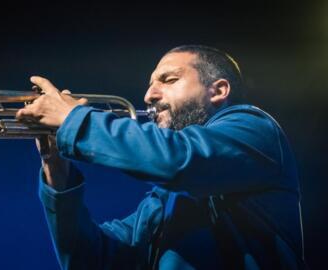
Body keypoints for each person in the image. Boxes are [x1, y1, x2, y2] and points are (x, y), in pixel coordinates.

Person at [16, 45, 305, 269]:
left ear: (218, 90)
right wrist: (57, 168)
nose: (149, 95)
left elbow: (176, 159)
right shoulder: (167, 198)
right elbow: (90, 261)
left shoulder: (254, 129)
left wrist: (73, 119)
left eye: (168, 80)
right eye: (151, 84)